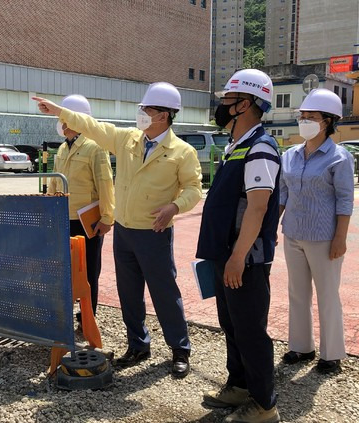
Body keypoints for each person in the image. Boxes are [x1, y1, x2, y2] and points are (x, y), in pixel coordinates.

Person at [34, 82, 202, 378]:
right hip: (125, 232)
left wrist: (174, 207)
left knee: (164, 291)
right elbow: (94, 126)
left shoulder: (182, 152)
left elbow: (193, 189)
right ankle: (138, 344)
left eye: (147, 109)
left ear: (164, 115)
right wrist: (59, 111)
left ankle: (179, 349)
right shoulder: (128, 140)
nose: (142, 113)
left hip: (154, 232)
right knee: (129, 292)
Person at [197, 69, 281, 423]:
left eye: (226, 100)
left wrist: (237, 256)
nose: (220, 106)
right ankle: (240, 385)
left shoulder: (260, 147)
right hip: (226, 255)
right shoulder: (238, 145)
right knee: (232, 325)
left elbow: (258, 207)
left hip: (244, 259)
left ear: (244, 104)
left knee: (250, 330)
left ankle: (264, 405)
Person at [279, 88, 354, 374]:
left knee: (327, 294)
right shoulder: (291, 155)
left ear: (328, 121)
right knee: (297, 292)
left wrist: (340, 239)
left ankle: (331, 353)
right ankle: (301, 347)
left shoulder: (339, 157)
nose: (305, 121)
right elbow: (283, 195)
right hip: (293, 233)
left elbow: (345, 200)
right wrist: (266, 228)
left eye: (311, 117)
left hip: (324, 237)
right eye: (303, 116)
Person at [48, 94, 115, 326]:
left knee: (88, 272)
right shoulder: (62, 149)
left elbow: (105, 184)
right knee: (64, 270)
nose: (62, 123)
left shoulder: (95, 147)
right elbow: (54, 184)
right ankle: (65, 312)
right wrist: (50, 210)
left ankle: (88, 318)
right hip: (63, 219)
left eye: (65, 117)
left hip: (87, 222)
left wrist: (107, 218)